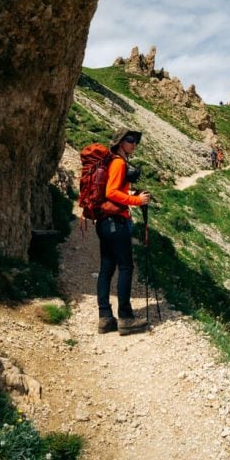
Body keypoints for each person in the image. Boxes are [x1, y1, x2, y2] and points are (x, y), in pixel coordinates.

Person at [96, 128, 152, 335]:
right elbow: (111, 192)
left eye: (136, 141)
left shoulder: (111, 162)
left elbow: (111, 190)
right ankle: (126, 319)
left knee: (106, 269)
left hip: (104, 222)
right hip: (115, 223)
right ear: (120, 143)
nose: (134, 144)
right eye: (130, 140)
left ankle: (105, 318)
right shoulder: (119, 163)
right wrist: (137, 200)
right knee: (126, 267)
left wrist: (129, 194)